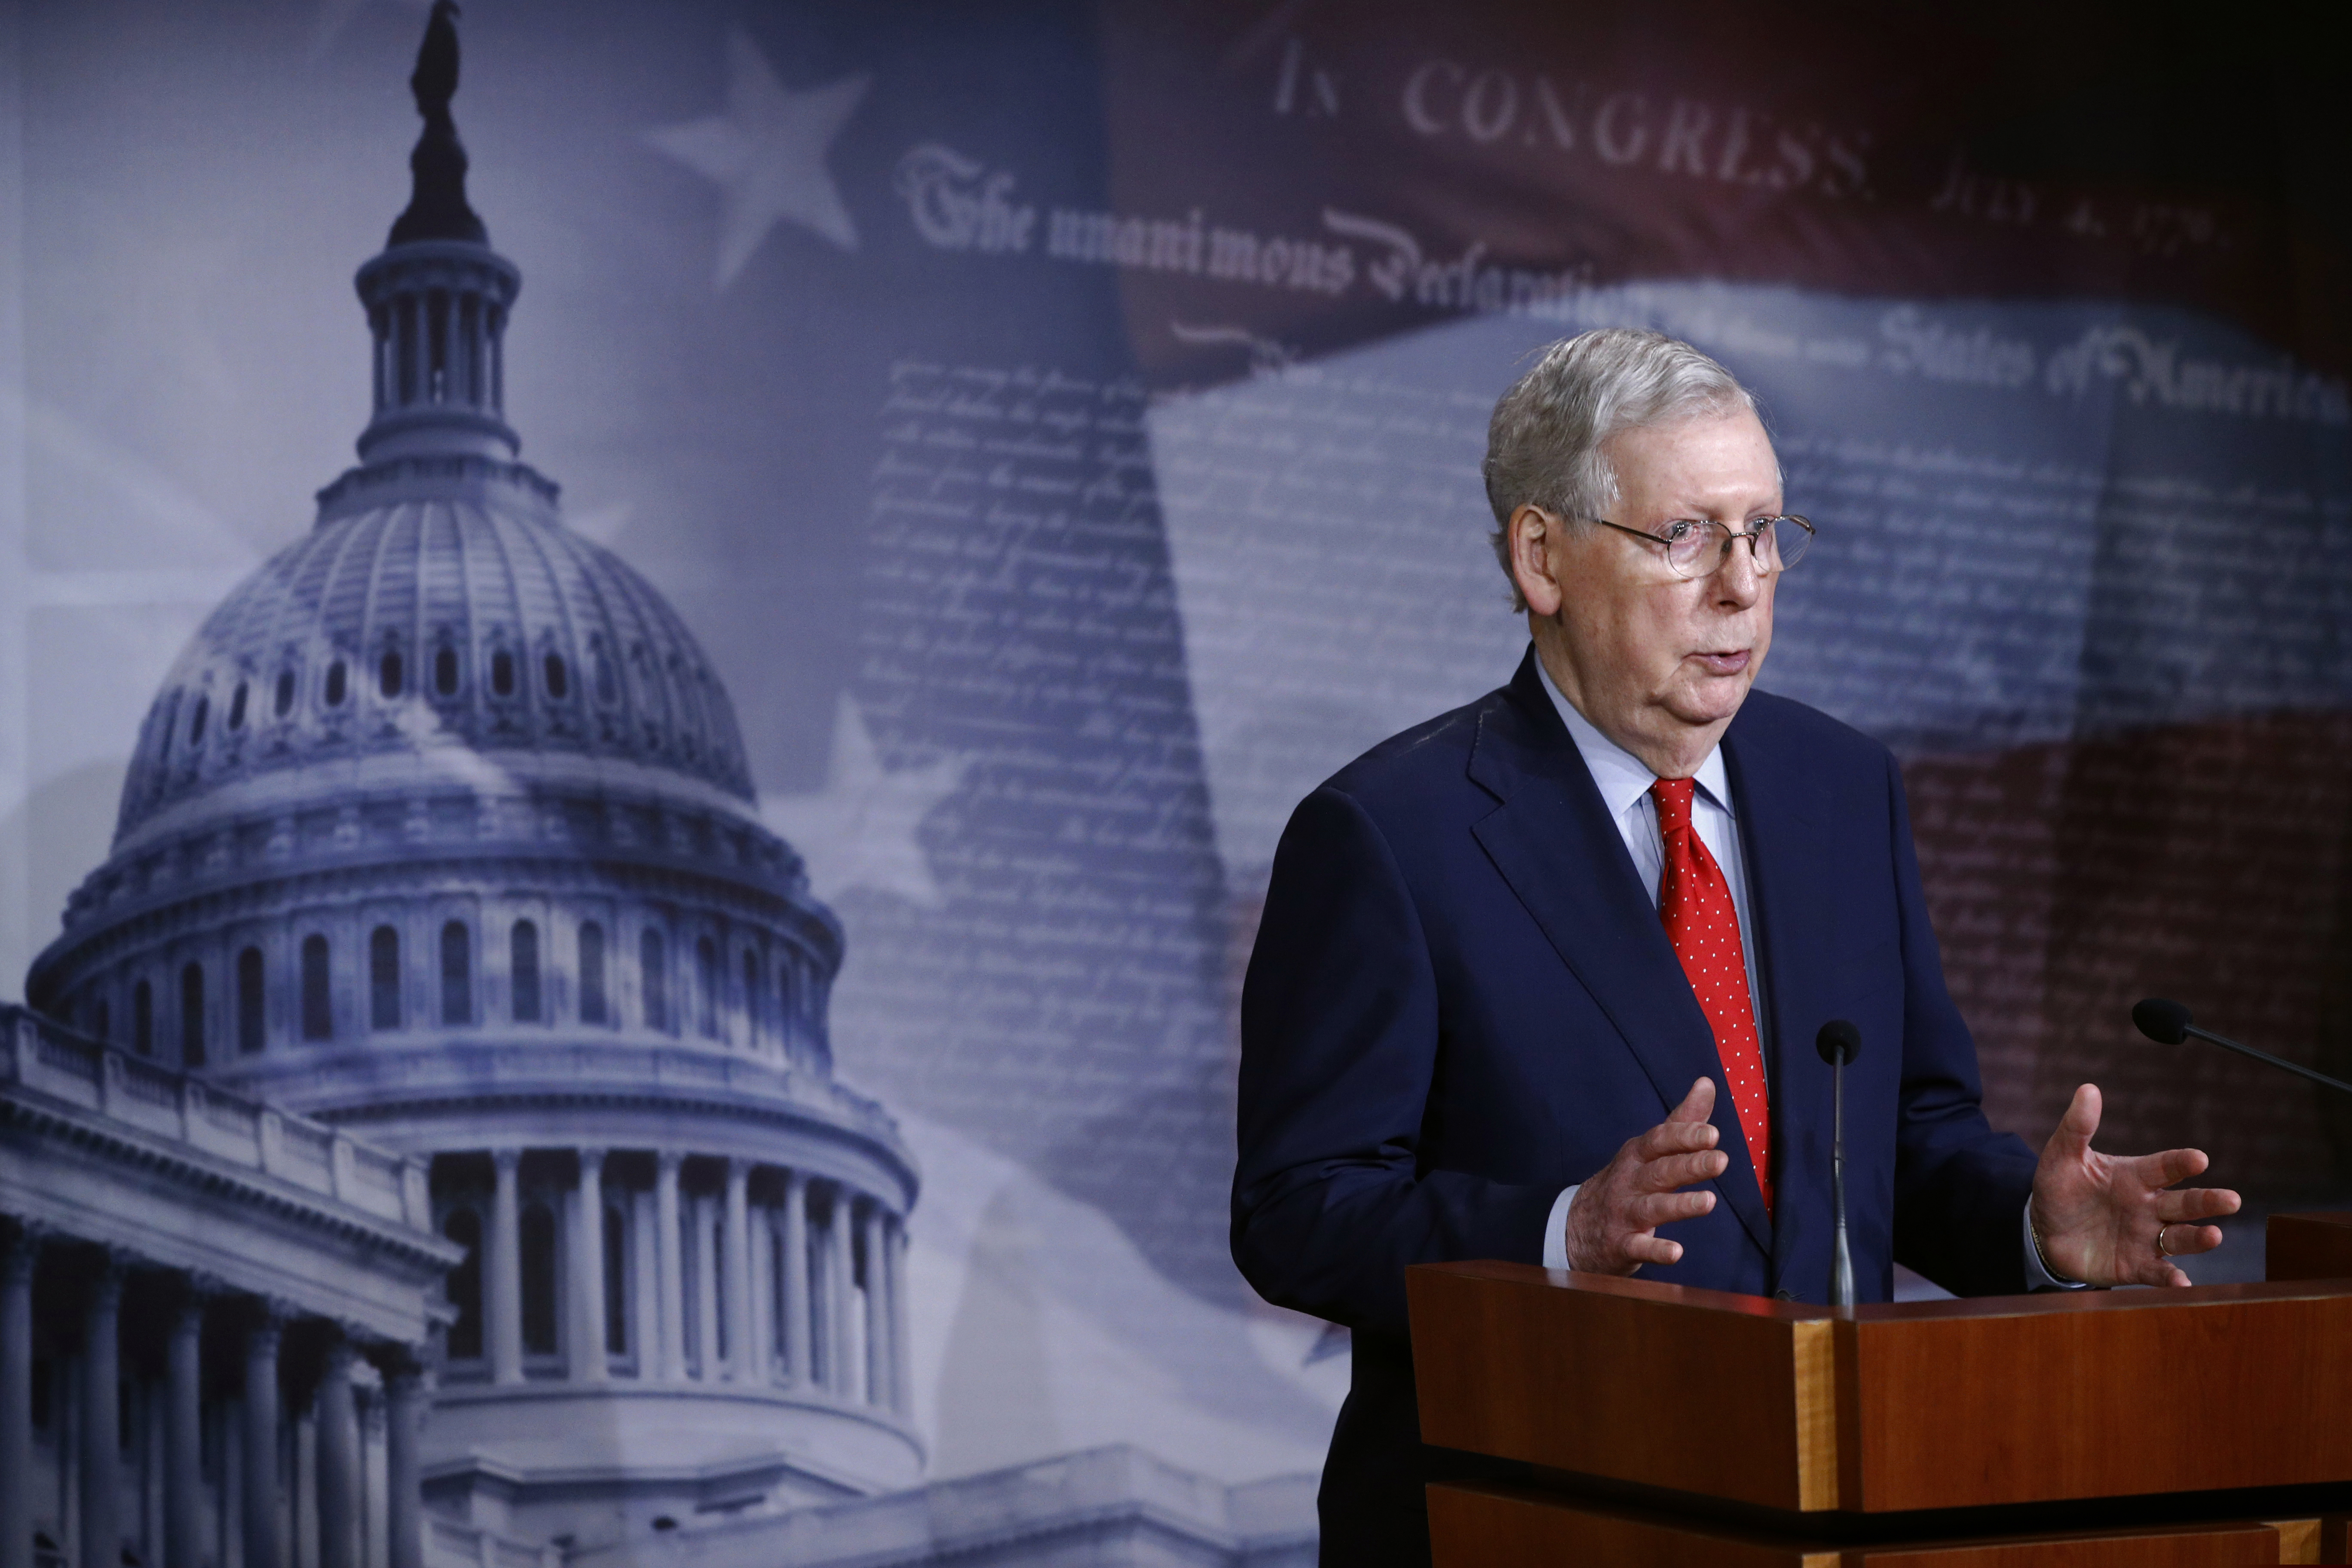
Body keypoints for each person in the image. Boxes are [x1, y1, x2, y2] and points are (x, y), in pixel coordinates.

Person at [1228, 328, 2242, 1568]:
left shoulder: (1839, 787)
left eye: (1764, 533)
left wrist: (2031, 1231)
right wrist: (1554, 1236)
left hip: (1821, 1508)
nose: (1742, 585)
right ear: (1541, 557)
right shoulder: (1392, 836)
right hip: (1530, 1518)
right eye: (1687, 536)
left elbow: (1901, 1135)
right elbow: (1298, 1211)